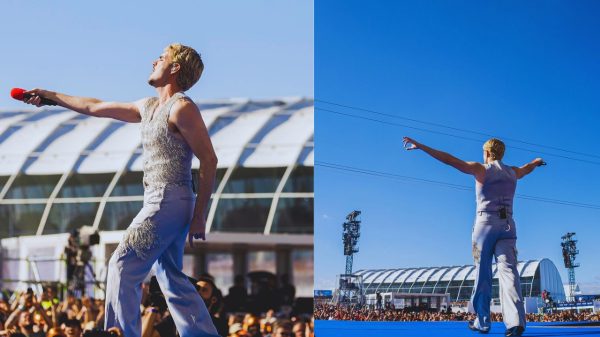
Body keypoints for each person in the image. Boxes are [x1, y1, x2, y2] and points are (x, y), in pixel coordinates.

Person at [24, 43, 219, 337]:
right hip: (164, 200)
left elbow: (209, 158)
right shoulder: (149, 106)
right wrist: (52, 97)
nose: (154, 60)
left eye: (162, 58)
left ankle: (119, 332)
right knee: (171, 277)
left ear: (175, 68)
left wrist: (200, 215)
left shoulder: (182, 107)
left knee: (122, 266)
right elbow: (94, 106)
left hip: (169, 199)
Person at [403, 137, 544, 336]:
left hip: (485, 226)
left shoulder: (481, 170)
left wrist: (422, 146)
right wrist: (536, 162)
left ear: (487, 153)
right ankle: (516, 323)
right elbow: (526, 168)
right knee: (510, 273)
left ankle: (483, 321)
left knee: (482, 273)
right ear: (502, 154)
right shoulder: (513, 172)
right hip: (508, 226)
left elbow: (449, 160)